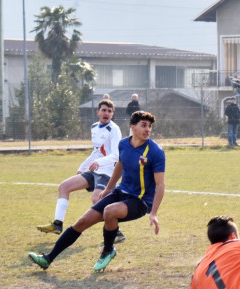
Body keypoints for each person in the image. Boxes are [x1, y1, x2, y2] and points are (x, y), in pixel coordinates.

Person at [28, 111, 166, 272]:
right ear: (133, 127)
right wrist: (108, 189)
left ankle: (108, 250)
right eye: (143, 125)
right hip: (121, 192)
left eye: (149, 126)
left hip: (141, 201)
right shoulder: (123, 144)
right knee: (81, 223)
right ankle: (47, 259)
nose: (148, 129)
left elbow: (160, 185)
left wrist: (154, 213)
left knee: (110, 211)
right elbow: (120, 165)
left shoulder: (156, 152)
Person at [36, 99, 125, 244]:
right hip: (94, 170)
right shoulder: (94, 127)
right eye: (103, 110)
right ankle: (57, 224)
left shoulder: (114, 129)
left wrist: (99, 162)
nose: (106, 113)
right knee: (64, 186)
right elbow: (96, 152)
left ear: (112, 114)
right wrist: (82, 167)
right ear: (98, 112)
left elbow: (116, 155)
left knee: (97, 200)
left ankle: (117, 233)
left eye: (109, 111)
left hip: (107, 172)